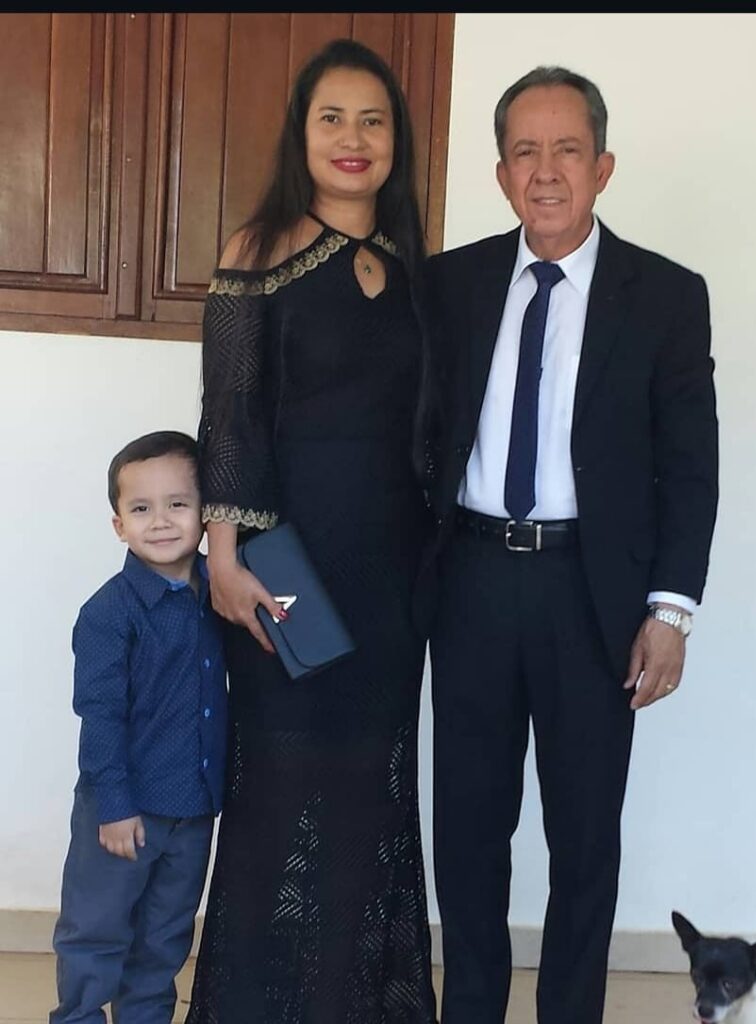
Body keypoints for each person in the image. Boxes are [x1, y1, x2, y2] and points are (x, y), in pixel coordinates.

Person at [425, 66, 719, 1024]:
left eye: (565, 150)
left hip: (593, 596)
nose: (544, 171)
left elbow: (691, 468)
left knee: (584, 840)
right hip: (469, 583)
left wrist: (670, 611)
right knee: (468, 831)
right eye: (524, 151)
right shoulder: (450, 285)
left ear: (602, 167)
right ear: (500, 173)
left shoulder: (664, 296)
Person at [184, 38, 436, 1023]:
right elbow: (229, 413)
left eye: (373, 119)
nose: (352, 137)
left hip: (393, 574)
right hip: (283, 565)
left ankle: (349, 1003)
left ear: (396, 139)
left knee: (369, 791)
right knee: (284, 785)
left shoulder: (415, 267)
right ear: (301, 132)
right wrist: (223, 556)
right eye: (332, 117)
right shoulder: (259, 248)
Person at [50, 431, 226, 1024]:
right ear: (118, 524)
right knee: (96, 930)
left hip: (193, 810)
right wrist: (115, 806)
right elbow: (100, 714)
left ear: (205, 514)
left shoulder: (220, 593)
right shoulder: (108, 613)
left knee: (165, 939)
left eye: (178, 504)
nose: (162, 521)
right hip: (124, 810)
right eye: (142, 508)